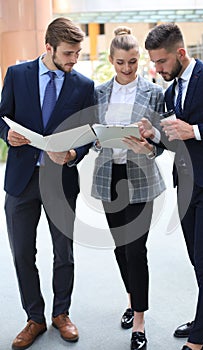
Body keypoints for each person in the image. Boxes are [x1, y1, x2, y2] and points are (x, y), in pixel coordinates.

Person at [133, 23, 203, 350]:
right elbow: (173, 141)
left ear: (180, 53)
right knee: (195, 257)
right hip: (187, 186)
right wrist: (154, 136)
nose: (156, 69)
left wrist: (197, 131)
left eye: (161, 62)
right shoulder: (171, 91)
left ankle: (198, 339)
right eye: (153, 63)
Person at [0, 17, 95, 349]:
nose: (73, 60)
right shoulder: (17, 75)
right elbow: (2, 116)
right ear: (49, 48)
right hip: (21, 180)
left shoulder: (83, 86)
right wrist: (6, 135)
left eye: (77, 54)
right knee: (23, 252)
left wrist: (72, 153)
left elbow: (90, 133)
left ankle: (61, 314)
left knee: (63, 252)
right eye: (68, 54)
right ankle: (35, 318)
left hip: (61, 181)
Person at [91, 26, 165, 350]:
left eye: (133, 62)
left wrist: (148, 145)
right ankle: (131, 299)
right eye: (121, 62)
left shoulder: (153, 93)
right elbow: (92, 138)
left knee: (136, 249)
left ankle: (139, 322)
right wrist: (96, 138)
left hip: (141, 179)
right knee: (120, 249)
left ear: (140, 60)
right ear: (111, 60)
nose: (127, 69)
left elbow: (162, 142)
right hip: (110, 177)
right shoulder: (98, 94)